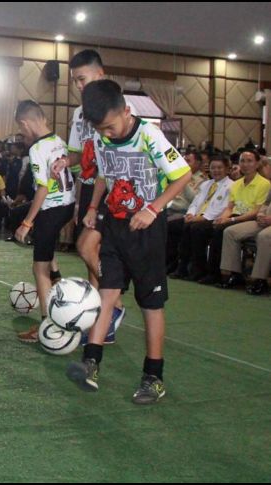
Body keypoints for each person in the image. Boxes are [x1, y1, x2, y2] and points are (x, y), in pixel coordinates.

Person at [67, 80, 192, 405]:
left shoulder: (149, 136)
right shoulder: (100, 136)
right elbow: (105, 177)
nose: (106, 133)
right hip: (115, 225)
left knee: (150, 304)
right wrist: (94, 208)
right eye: (100, 129)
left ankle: (154, 376)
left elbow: (183, 175)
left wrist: (153, 208)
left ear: (126, 110)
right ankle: (90, 362)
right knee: (106, 293)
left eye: (110, 126)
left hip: (147, 230)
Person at [53, 49, 126, 344]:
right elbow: (79, 153)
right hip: (89, 185)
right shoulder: (78, 113)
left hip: (114, 187)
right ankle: (99, 316)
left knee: (87, 247)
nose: (79, 85)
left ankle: (114, 306)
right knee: (89, 255)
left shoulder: (120, 107)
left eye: (83, 78)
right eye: (75, 81)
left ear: (101, 74)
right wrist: (63, 162)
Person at [13, 100, 76, 343]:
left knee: (38, 267)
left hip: (52, 207)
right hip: (68, 204)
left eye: (21, 129)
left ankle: (48, 325)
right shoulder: (58, 140)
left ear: (25, 123)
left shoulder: (37, 148)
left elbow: (42, 187)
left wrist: (27, 222)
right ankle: (58, 281)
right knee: (47, 252)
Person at [200, 149, 270, 286]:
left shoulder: (264, 184)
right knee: (218, 227)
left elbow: (257, 210)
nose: (245, 164)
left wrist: (231, 220)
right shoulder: (237, 183)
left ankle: (229, 274)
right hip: (238, 216)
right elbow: (229, 207)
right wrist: (223, 218)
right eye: (242, 161)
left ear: (257, 164)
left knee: (225, 230)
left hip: (250, 218)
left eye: (249, 161)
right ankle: (228, 273)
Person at [169, 155, 233, 280]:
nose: (216, 170)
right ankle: (175, 264)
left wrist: (203, 217)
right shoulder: (206, 184)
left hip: (213, 219)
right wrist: (190, 213)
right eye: (213, 168)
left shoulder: (231, 186)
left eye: (220, 168)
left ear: (227, 169)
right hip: (196, 217)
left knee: (195, 229)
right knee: (172, 226)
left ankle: (198, 269)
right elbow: (195, 202)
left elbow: (223, 207)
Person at [219, 192, 271, 295]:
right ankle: (233, 275)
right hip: (265, 220)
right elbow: (266, 203)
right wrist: (261, 215)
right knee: (230, 232)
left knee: (265, 236)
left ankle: (259, 279)